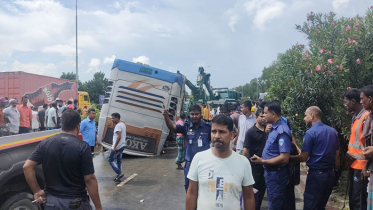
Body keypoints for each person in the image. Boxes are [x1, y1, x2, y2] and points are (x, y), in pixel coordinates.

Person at [23, 110, 102, 210]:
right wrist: (98, 207)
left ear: (62, 125)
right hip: (75, 203)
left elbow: (27, 167)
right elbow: (89, 179)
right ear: (78, 126)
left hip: (51, 203)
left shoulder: (46, 143)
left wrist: (36, 191)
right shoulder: (83, 147)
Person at [186, 114, 255, 210]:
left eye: (222, 132)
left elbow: (249, 197)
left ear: (231, 135)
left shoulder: (243, 163)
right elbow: (192, 193)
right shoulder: (199, 159)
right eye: (214, 131)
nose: (217, 136)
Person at [289, 106, 340, 210]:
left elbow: (303, 157)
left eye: (305, 115)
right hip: (330, 174)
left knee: (311, 204)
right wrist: (336, 175)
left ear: (312, 116)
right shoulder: (333, 131)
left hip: (316, 175)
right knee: (321, 205)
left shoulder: (310, 133)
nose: (304, 118)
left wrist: (288, 157)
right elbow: (337, 157)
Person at [251, 101, 291, 210]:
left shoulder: (282, 131)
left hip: (276, 174)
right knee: (272, 202)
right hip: (270, 173)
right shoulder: (272, 128)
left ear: (273, 114)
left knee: (275, 204)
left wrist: (263, 161)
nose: (263, 115)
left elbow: (284, 157)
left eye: (265, 113)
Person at [163, 104, 211, 192]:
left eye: (197, 114)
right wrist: (166, 116)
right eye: (192, 114)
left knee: (205, 189)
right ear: (189, 115)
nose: (194, 116)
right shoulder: (186, 126)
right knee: (189, 189)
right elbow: (172, 127)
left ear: (201, 114)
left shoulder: (208, 127)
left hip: (205, 165)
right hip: (190, 165)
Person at [342, 88, 369, 210]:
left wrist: (366, 167)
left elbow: (369, 145)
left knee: (359, 201)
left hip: (361, 166)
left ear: (353, 101)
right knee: (353, 199)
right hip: (354, 164)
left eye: (346, 102)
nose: (345, 105)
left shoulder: (366, 117)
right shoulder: (356, 117)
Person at [243, 108, 267, 210]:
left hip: (267, 165)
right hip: (255, 167)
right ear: (255, 117)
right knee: (254, 192)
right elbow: (245, 150)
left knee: (262, 192)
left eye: (265, 116)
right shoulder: (251, 132)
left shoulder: (269, 130)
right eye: (261, 116)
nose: (263, 119)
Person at [359, 85, 373, 210]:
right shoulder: (369, 118)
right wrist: (365, 166)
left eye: (362, 98)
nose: (361, 101)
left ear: (370, 99)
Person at [108, 113, 126, 182]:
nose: (112, 119)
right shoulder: (122, 124)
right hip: (122, 145)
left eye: (113, 118)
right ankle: (118, 175)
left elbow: (119, 136)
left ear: (117, 118)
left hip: (117, 146)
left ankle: (119, 173)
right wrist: (113, 124)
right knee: (119, 160)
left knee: (110, 160)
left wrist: (114, 147)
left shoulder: (118, 126)